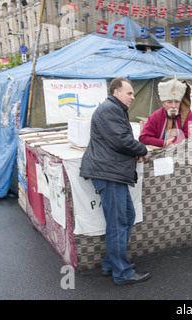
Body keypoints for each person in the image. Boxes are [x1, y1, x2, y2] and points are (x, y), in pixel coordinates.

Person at [80, 78, 151, 285]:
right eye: (129, 93)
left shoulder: (113, 109)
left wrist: (135, 150)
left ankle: (110, 263)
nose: (133, 97)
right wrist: (142, 150)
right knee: (119, 222)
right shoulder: (110, 109)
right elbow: (121, 140)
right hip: (108, 174)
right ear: (116, 92)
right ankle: (122, 272)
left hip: (111, 173)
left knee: (126, 216)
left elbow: (118, 141)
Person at [139, 78, 192, 148]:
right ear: (162, 103)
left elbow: (190, 136)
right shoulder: (156, 116)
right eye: (169, 102)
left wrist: (173, 142)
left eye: (177, 102)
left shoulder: (187, 114)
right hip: (160, 153)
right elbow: (143, 138)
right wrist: (164, 143)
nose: (173, 106)